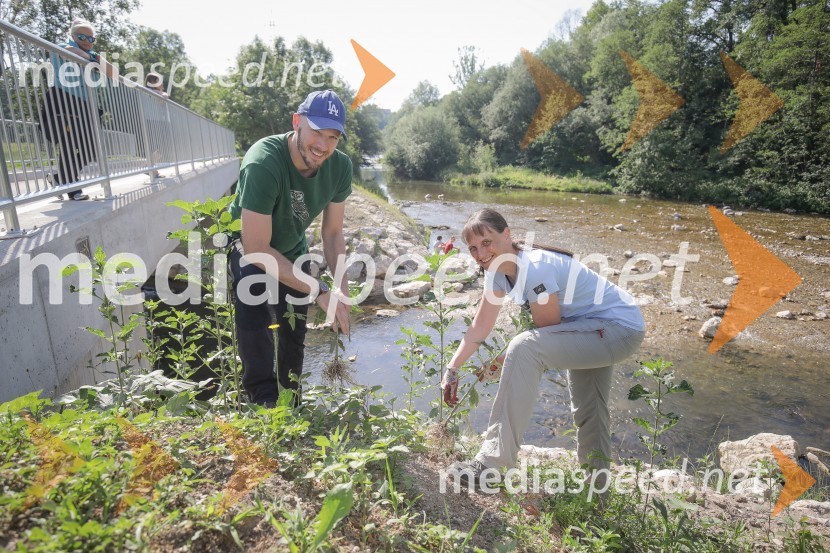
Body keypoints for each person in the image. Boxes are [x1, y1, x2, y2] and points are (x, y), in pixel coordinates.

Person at [441, 208, 645, 493]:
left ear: (507, 234)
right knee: (589, 408)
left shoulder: (536, 267)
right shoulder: (496, 272)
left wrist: (502, 359)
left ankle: (490, 465)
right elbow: (480, 326)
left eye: (486, 242)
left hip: (617, 328)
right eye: (473, 248)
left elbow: (543, 333)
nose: (481, 253)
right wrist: (452, 368)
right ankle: (596, 492)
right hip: (591, 328)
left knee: (523, 347)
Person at [228, 90, 352, 406]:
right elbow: (257, 248)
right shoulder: (263, 161)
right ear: (297, 122)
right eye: (317, 132)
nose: (323, 145)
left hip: (292, 247)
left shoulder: (340, 167)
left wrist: (340, 290)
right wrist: (319, 290)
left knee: (293, 327)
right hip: (248, 244)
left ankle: (291, 403)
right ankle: (263, 403)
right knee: (254, 304)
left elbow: (333, 233)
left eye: (333, 137)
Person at [41, 19, 115, 201]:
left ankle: (59, 178)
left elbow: (113, 72)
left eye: (91, 39)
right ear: (73, 36)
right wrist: (94, 59)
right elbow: (72, 52)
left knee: (92, 148)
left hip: (86, 106)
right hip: (64, 102)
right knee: (69, 144)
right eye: (82, 37)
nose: (87, 41)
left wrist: (95, 58)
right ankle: (73, 188)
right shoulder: (62, 47)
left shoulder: (92, 54)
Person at [143, 72, 169, 179]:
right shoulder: (148, 91)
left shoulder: (154, 92)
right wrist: (163, 93)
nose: (162, 84)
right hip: (153, 121)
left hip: (157, 121)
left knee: (161, 147)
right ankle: (148, 167)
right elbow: (163, 97)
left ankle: (150, 168)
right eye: (159, 82)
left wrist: (162, 93)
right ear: (152, 82)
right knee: (159, 147)